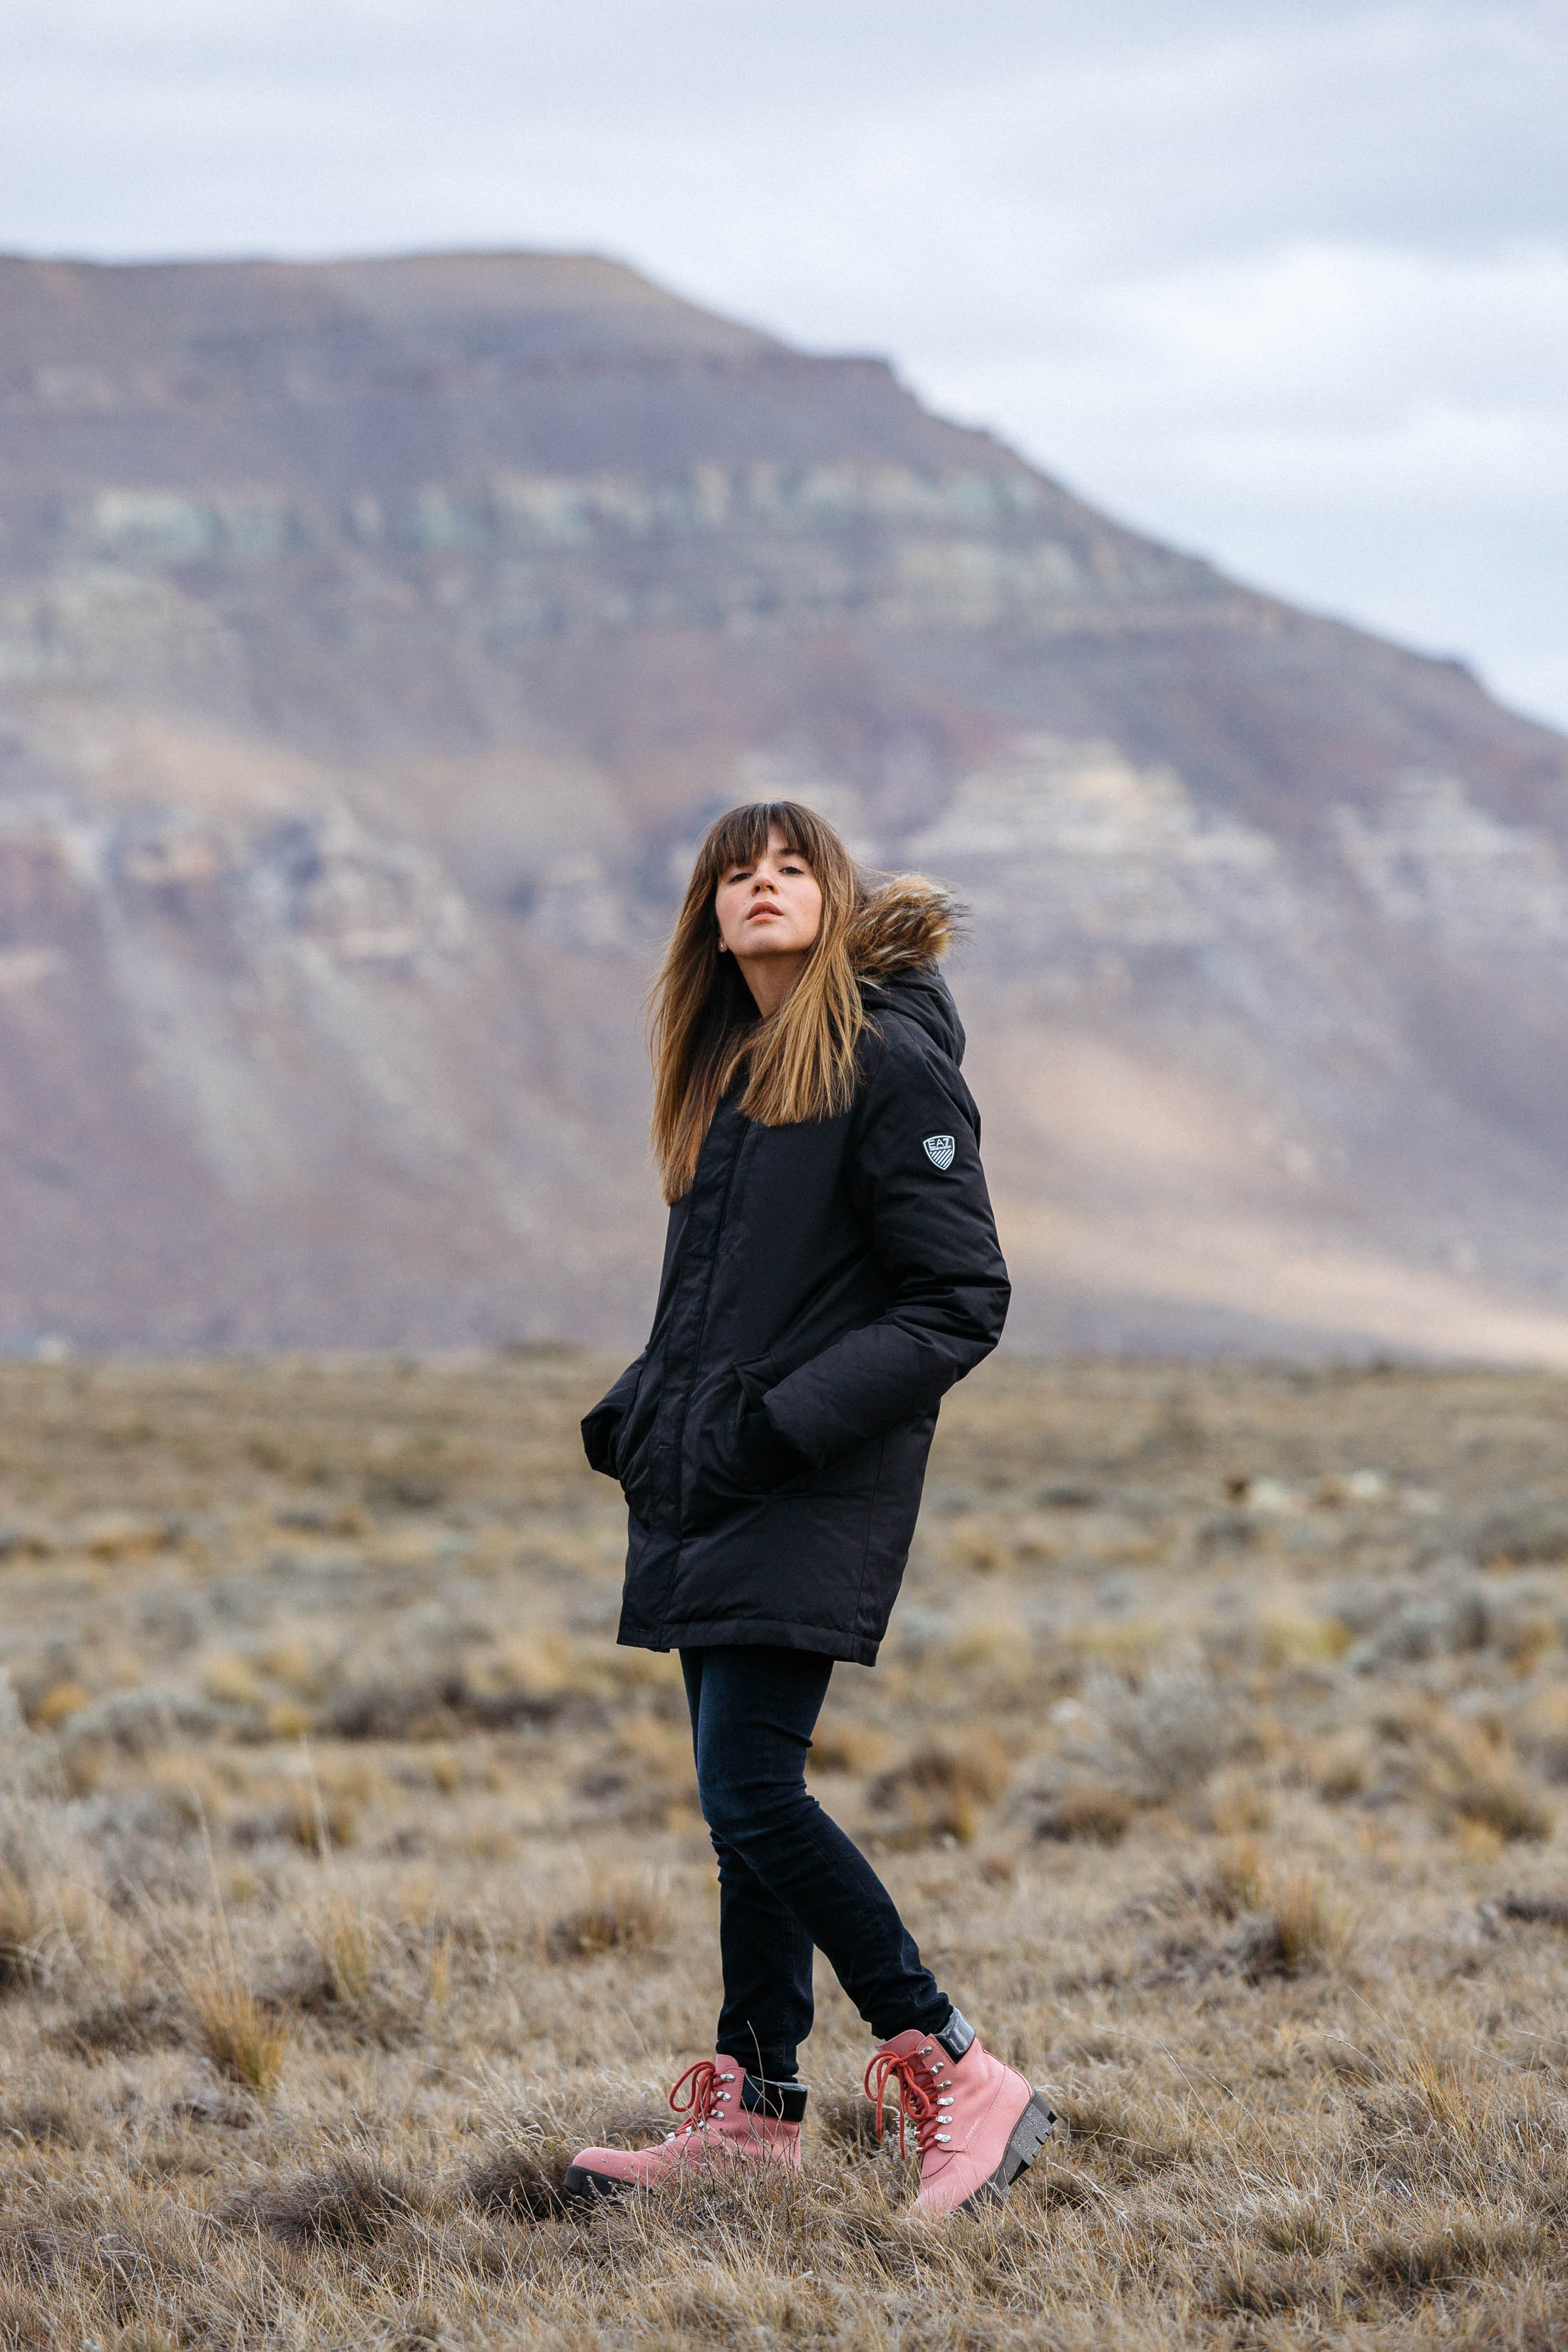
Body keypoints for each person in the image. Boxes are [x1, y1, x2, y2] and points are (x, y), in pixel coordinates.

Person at [566, 800, 1052, 2219]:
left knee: (753, 1791)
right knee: (738, 1812)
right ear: (707, 918)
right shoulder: (741, 1076)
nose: (762, 885)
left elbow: (960, 1300)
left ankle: (955, 2064)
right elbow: (731, 1306)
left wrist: (777, 1425)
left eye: (791, 868)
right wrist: (642, 1406)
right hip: (713, 1480)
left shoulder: (885, 1064)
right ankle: (756, 2104)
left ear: (831, 903)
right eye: (737, 871)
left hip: (803, 1481)